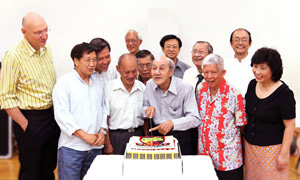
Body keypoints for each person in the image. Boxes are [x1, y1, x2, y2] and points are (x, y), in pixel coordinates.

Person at [0, 12, 60, 179]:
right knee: (31, 173)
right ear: (23, 32)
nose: (44, 36)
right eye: (38, 32)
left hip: (50, 117)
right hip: (31, 121)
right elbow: (6, 98)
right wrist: (26, 126)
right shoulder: (13, 56)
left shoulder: (46, 49)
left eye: (46, 30)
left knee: (48, 170)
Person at [52, 43, 107, 180]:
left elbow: (104, 108)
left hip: (95, 148)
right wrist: (84, 136)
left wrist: (102, 131)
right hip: (72, 149)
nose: (92, 64)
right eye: (88, 60)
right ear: (76, 61)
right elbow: (62, 116)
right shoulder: (64, 83)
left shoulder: (97, 81)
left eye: (94, 60)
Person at [244, 47, 296, 180]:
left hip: (272, 150)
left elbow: (290, 126)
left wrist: (284, 154)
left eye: (263, 68)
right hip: (250, 148)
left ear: (273, 70)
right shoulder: (252, 85)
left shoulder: (284, 94)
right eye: (255, 66)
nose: (257, 71)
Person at [197, 54, 247, 180]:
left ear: (223, 72)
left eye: (214, 72)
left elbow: (242, 126)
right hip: (205, 156)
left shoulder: (235, 94)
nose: (209, 77)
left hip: (228, 158)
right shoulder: (200, 89)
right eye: (206, 72)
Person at [144, 56, 200, 155]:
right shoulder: (149, 85)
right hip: (158, 136)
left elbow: (195, 118)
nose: (157, 72)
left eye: (161, 68)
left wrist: (173, 123)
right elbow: (144, 106)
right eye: (154, 68)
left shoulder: (185, 88)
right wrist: (147, 110)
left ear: (171, 72)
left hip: (180, 136)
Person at [104, 53, 146, 155]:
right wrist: (108, 144)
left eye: (134, 71)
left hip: (139, 136)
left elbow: (146, 118)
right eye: (127, 72)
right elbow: (105, 119)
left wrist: (146, 137)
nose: (131, 76)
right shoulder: (109, 89)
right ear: (118, 69)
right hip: (117, 137)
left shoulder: (143, 88)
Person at [225, 28, 254, 96]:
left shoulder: (257, 64)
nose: (240, 43)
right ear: (231, 43)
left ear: (250, 43)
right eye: (236, 40)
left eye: (244, 40)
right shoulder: (224, 65)